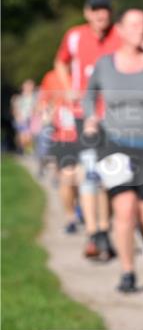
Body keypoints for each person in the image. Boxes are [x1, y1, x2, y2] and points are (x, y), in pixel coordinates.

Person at [83, 9, 143, 293]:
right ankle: (127, 272)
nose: (141, 29)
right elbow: (90, 94)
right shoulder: (105, 64)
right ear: (120, 30)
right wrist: (90, 117)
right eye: (134, 24)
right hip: (115, 144)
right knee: (124, 209)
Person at [54, 0, 120, 261]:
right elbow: (60, 62)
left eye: (104, 10)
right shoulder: (75, 36)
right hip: (85, 114)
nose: (100, 15)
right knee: (89, 172)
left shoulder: (120, 35)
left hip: (116, 116)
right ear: (87, 13)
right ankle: (94, 232)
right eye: (95, 10)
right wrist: (68, 88)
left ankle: (104, 229)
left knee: (110, 177)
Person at [37, 68, 80, 232]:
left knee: (84, 180)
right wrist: (48, 114)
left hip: (89, 136)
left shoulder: (90, 67)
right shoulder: (52, 76)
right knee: (67, 178)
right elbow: (43, 103)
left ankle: (82, 209)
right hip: (63, 137)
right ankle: (71, 217)